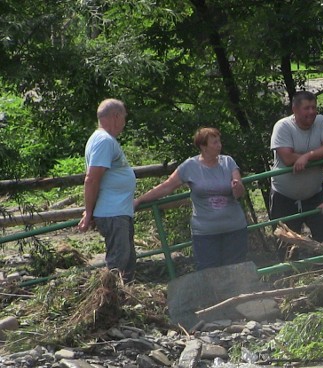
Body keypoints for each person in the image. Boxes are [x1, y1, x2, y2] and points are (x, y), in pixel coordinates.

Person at [134, 127, 248, 271]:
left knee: (236, 270)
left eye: (219, 141)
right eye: (214, 143)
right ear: (203, 147)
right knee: (208, 273)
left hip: (234, 228)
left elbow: (239, 190)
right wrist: (140, 200)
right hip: (205, 233)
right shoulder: (190, 166)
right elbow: (167, 186)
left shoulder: (228, 162)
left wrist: (237, 187)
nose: (219, 145)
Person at [269, 91, 323, 246]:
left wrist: (306, 157)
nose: (312, 112)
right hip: (284, 197)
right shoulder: (283, 126)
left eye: (314, 107)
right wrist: (318, 156)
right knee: (285, 243)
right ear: (295, 109)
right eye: (307, 108)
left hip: (315, 194)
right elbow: (287, 157)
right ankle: (288, 271)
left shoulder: (321, 121)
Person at [78, 98, 137, 281]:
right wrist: (88, 212)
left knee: (126, 261)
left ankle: (122, 299)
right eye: (124, 118)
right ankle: (109, 300)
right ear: (115, 116)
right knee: (118, 262)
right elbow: (92, 178)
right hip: (113, 212)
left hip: (118, 211)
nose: (124, 124)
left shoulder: (105, 140)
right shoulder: (104, 140)